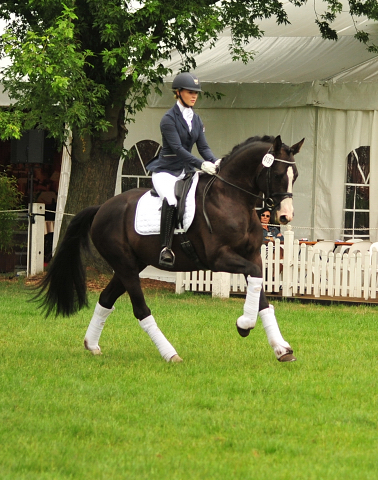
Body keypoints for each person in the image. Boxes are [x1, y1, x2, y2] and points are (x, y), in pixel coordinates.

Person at [147, 72, 220, 267]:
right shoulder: (168, 119)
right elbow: (178, 150)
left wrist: (215, 161)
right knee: (171, 200)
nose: (194, 95)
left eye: (196, 92)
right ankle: (165, 248)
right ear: (178, 93)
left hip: (186, 171)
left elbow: (203, 147)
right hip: (166, 171)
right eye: (190, 92)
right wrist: (201, 165)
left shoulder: (196, 119)